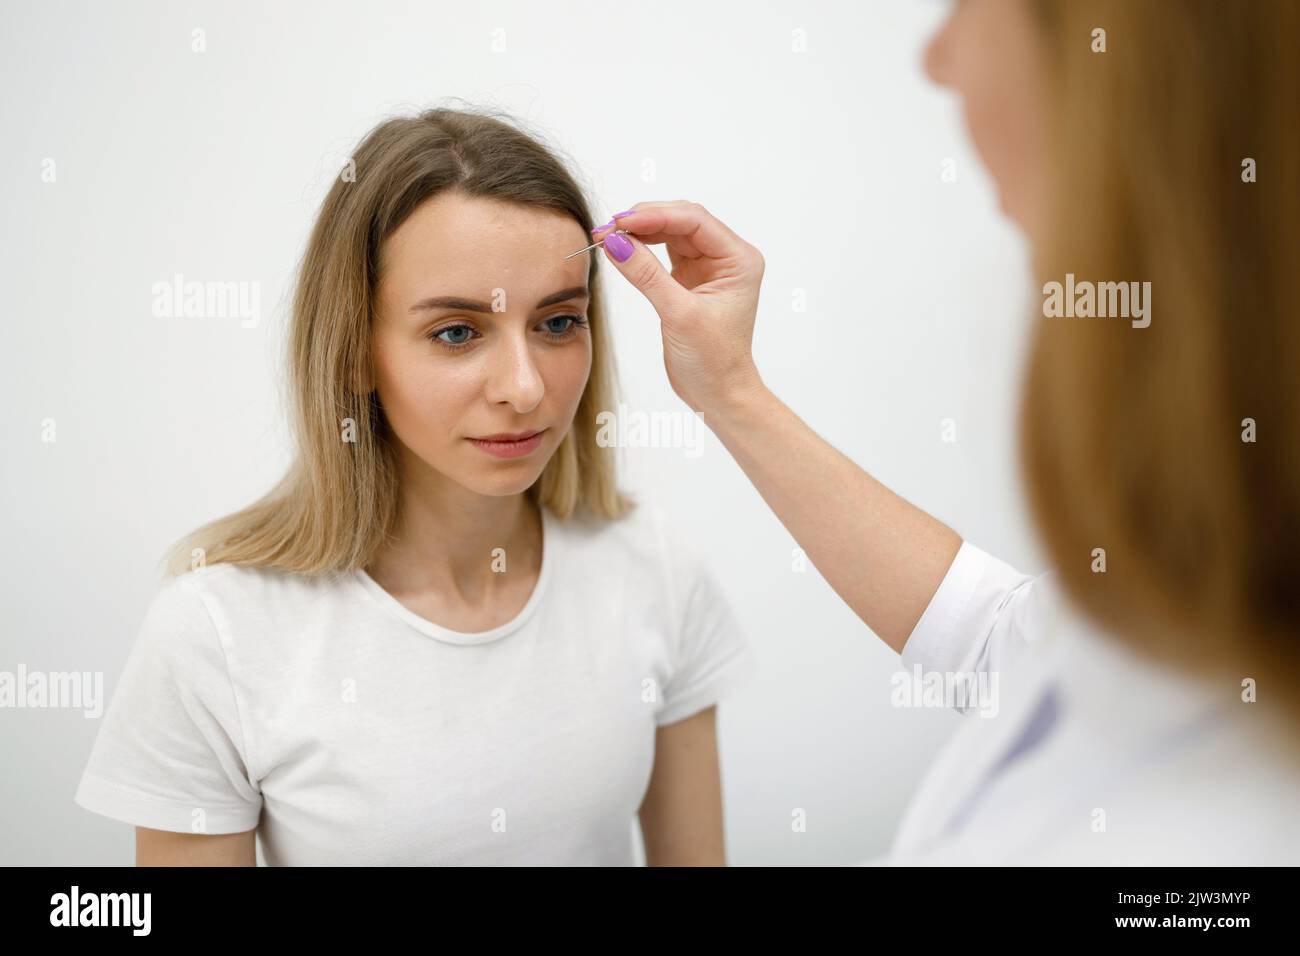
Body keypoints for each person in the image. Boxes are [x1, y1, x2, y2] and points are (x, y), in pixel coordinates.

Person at [590, 0, 1300, 863]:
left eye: (968, 8)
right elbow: (1002, 640)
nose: (936, 60)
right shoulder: (1191, 590)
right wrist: (734, 393)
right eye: (454, 331)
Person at [73, 109, 757, 866]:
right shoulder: (216, 632)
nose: (525, 388)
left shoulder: (652, 570)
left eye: (559, 322)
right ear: (355, 352)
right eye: (458, 333)